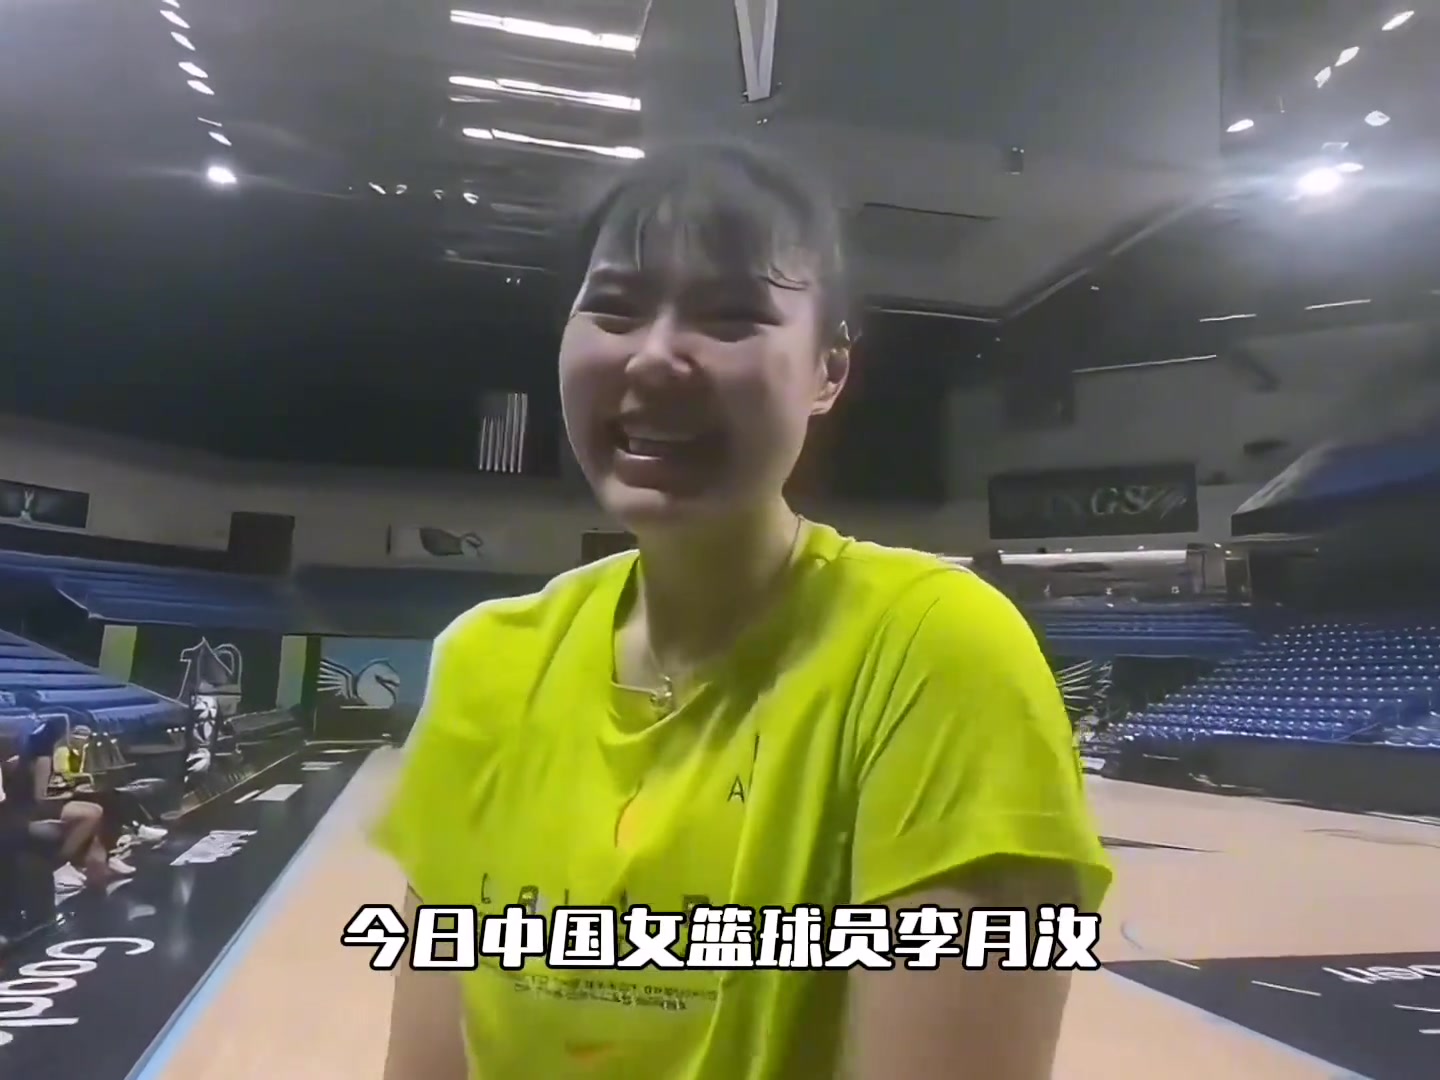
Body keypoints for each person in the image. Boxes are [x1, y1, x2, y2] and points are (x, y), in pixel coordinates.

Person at [374, 142, 1113, 1079]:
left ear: (827, 373)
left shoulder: (937, 652)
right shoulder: (484, 663)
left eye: (731, 317)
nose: (654, 356)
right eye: (615, 308)